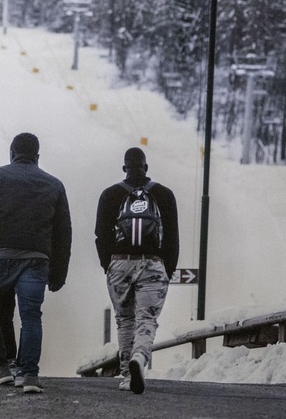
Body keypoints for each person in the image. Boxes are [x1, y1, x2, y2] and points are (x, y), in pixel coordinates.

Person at [0, 132, 72, 394]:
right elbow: (63, 234)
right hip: (36, 260)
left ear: (12, 153)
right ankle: (29, 376)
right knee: (31, 315)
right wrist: (59, 274)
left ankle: (0, 368)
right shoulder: (54, 184)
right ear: (37, 156)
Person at [94, 147, 179, 394]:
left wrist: (107, 265)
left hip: (119, 263)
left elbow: (101, 235)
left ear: (124, 168)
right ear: (146, 167)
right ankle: (139, 359)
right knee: (147, 318)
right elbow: (172, 236)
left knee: (124, 320)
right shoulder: (164, 194)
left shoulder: (109, 195)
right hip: (153, 263)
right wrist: (168, 268)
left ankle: (125, 375)